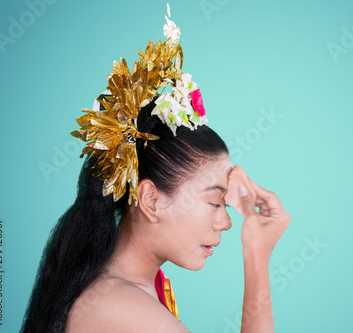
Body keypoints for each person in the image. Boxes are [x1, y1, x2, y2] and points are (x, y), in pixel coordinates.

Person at [20, 4, 290, 332]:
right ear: (150, 200)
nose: (227, 222)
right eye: (214, 203)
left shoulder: (140, 286)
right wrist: (257, 255)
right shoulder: (116, 304)